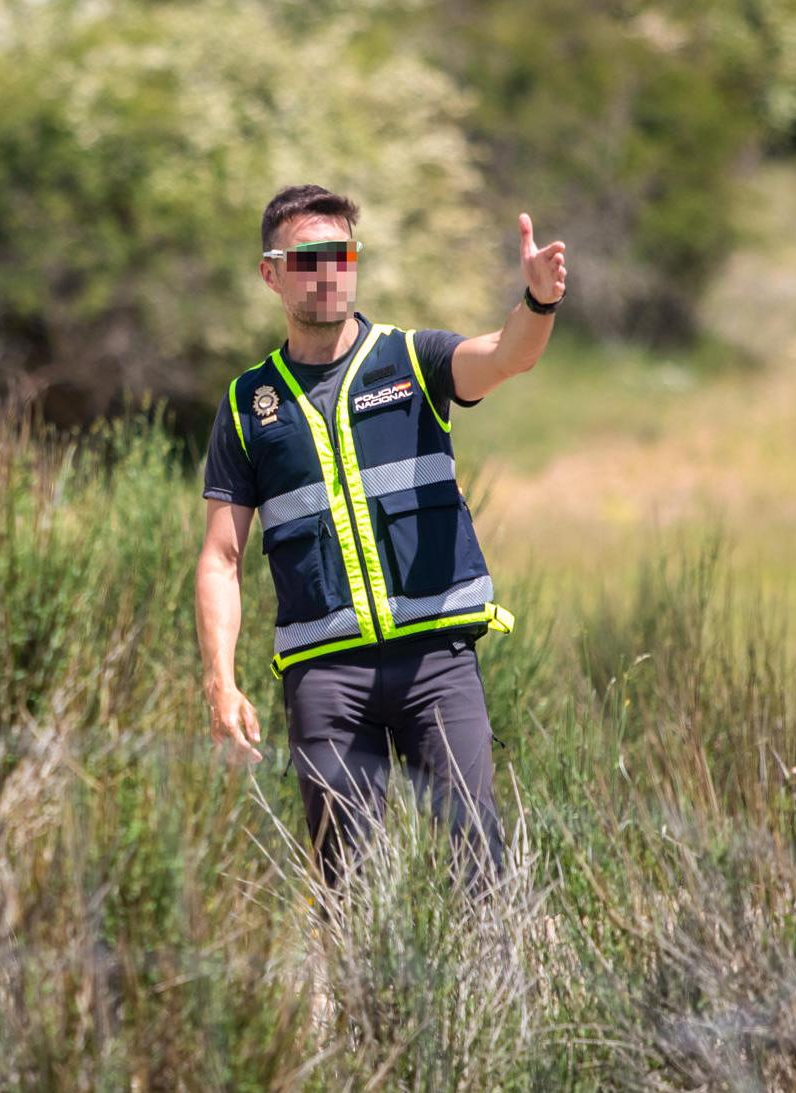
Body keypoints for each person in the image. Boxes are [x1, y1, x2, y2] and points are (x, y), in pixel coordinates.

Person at [194, 184, 568, 889]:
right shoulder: (248, 404)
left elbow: (504, 355)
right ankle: (358, 1003)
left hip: (436, 663)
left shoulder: (411, 358)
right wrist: (219, 682)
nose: (328, 271)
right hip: (324, 677)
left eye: (341, 254)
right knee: (348, 886)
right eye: (308, 258)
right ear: (270, 273)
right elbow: (220, 556)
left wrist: (537, 303)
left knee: (477, 865)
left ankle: (488, 996)